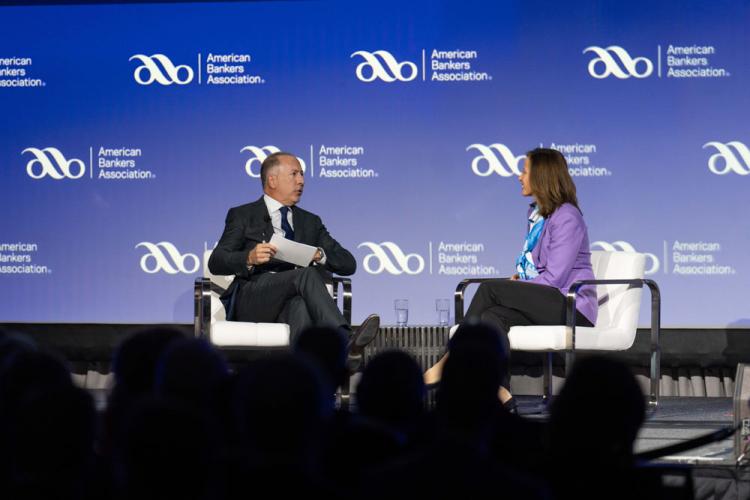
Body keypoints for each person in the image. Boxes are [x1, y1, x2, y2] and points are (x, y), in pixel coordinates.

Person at [424, 147, 597, 412]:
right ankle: (500, 392)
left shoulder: (567, 217)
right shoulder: (539, 216)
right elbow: (539, 269)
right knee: (493, 316)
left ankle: (448, 361)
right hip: (549, 301)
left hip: (571, 306)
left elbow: (554, 278)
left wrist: (516, 287)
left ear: (541, 176)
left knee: (490, 289)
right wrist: (522, 281)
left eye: (525, 171)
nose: (519, 176)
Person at [208, 151, 379, 368]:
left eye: (302, 174)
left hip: (291, 297)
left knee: (299, 307)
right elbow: (217, 260)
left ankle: (302, 384)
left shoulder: (310, 221)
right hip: (254, 297)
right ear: (272, 179)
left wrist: (320, 255)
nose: (301, 181)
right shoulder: (243, 215)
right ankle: (343, 340)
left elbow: (348, 263)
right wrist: (248, 257)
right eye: (294, 174)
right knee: (306, 275)